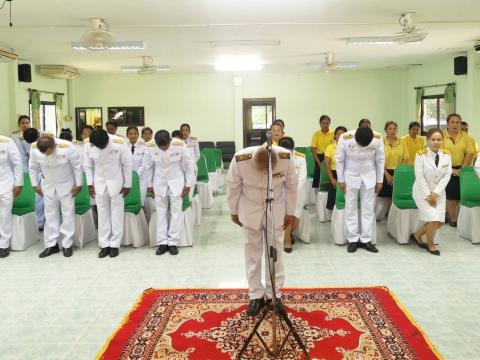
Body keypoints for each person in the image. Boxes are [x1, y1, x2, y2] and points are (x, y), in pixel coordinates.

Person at [227, 145, 298, 316]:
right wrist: (233, 211)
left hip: (276, 207)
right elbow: (232, 187)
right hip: (249, 206)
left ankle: (275, 294)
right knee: (253, 252)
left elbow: (292, 186)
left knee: (276, 252)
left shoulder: (285, 158)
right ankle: (255, 295)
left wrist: (291, 212)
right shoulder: (240, 160)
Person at [140, 130, 195, 256]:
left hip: (177, 182)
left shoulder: (180, 145)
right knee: (160, 212)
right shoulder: (150, 146)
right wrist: (149, 185)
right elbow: (148, 167)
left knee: (176, 212)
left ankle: (173, 242)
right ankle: (162, 242)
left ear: (170, 141)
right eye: (161, 147)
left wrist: (188, 185)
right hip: (159, 182)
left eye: (166, 147)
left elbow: (189, 165)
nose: (163, 149)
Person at [29, 135, 83, 258]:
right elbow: (32, 167)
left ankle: (67, 244)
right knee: (50, 215)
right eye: (44, 154)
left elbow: (77, 166)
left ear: (54, 146)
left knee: (67, 214)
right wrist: (34, 185)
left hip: (66, 184)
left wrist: (79, 185)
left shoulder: (67, 147)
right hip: (47, 185)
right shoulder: (34, 148)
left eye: (49, 152)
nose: (47, 156)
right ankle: (51, 245)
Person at [336, 126, 385, 253]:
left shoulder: (377, 138)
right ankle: (352, 239)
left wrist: (380, 180)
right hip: (350, 176)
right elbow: (339, 160)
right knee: (350, 207)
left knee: (368, 208)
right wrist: (341, 180)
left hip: (369, 176)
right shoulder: (345, 138)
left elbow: (380, 160)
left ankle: (366, 240)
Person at [85, 129, 132, 258]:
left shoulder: (119, 142)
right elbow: (88, 165)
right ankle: (104, 244)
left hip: (116, 181)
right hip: (99, 182)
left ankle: (115, 244)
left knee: (117, 212)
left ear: (107, 139)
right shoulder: (89, 144)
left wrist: (128, 184)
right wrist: (89, 183)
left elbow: (127, 164)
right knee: (102, 213)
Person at [411, 129, 452, 256]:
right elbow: (419, 176)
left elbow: (447, 174)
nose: (436, 142)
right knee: (433, 219)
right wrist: (429, 195)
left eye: (439, 139)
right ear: (428, 140)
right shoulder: (420, 154)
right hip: (422, 192)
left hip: (439, 194)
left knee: (439, 222)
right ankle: (430, 244)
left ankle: (417, 235)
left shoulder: (447, 155)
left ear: (442, 141)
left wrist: (436, 193)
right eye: (433, 139)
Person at [442, 114, 473, 227]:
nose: (455, 125)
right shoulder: (441, 135)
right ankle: (452, 218)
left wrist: (462, 169)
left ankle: (459, 217)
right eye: (452, 122)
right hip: (445, 168)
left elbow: (469, 152)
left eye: (457, 122)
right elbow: (438, 154)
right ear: (448, 123)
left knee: (459, 195)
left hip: (462, 168)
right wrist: (451, 170)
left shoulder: (465, 136)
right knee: (450, 195)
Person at [278, 136, 306, 253]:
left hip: (297, 192)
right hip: (281, 192)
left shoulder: (300, 157)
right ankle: (287, 240)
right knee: (285, 216)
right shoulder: (275, 156)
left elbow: (302, 178)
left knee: (294, 220)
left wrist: (292, 192)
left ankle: (288, 234)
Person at [0, 135, 23, 258]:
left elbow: (17, 163)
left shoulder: (7, 142)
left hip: (5, 182)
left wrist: (18, 184)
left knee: (4, 214)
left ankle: (3, 244)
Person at [378, 121, 409, 212]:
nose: (392, 131)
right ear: (385, 130)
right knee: (383, 195)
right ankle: (381, 214)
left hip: (398, 172)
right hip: (383, 171)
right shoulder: (381, 142)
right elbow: (378, 160)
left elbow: (405, 158)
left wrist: (397, 173)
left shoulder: (402, 142)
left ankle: (391, 214)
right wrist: (387, 174)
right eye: (390, 128)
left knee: (394, 194)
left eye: (394, 128)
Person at [22, 127, 46, 231]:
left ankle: (43, 222)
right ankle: (40, 222)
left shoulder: (46, 138)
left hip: (47, 172)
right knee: (39, 198)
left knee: (44, 199)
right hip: (37, 172)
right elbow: (31, 165)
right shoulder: (32, 146)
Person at [324, 126, 347, 210]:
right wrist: (332, 179)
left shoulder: (348, 147)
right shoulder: (330, 147)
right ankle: (333, 214)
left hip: (345, 174)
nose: (340, 137)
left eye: (343, 135)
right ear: (335, 136)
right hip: (334, 173)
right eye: (338, 135)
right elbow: (326, 164)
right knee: (333, 193)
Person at [310, 115, 334, 189]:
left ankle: (330, 186)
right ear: (320, 123)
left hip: (330, 156)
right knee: (318, 172)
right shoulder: (316, 134)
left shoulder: (333, 133)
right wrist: (319, 163)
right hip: (319, 156)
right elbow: (313, 149)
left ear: (329, 124)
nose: (325, 125)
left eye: (327, 123)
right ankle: (317, 190)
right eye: (323, 123)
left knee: (331, 171)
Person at [126, 126, 147, 205]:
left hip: (140, 179)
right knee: (128, 202)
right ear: (127, 135)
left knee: (139, 203)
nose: (133, 136)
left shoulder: (144, 147)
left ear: (138, 135)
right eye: (130, 134)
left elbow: (144, 164)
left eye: (135, 133)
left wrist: (135, 175)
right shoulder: (124, 147)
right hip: (126, 179)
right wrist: (129, 176)